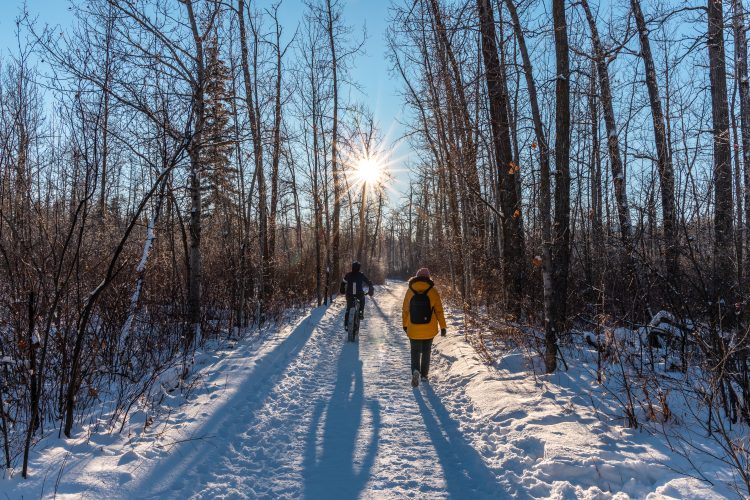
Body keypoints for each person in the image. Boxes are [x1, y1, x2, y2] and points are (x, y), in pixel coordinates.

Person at [402, 268, 446, 387]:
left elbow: (405, 310)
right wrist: (443, 327)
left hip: (413, 327)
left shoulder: (410, 291)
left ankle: (415, 371)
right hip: (429, 328)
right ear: (428, 277)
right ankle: (424, 375)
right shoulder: (433, 291)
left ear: (416, 277)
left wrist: (405, 325)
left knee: (415, 351)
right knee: (426, 351)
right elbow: (439, 311)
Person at [340, 261, 374, 329]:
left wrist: (342, 289)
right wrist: (371, 289)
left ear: (352, 267)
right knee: (362, 300)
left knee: (348, 308)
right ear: (359, 268)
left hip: (349, 295)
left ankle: (346, 324)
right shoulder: (361, 275)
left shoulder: (348, 275)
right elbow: (368, 282)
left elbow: (343, 283)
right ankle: (361, 312)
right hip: (359, 294)